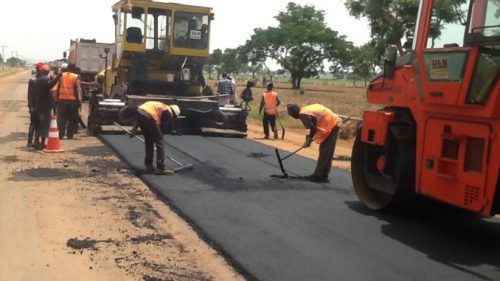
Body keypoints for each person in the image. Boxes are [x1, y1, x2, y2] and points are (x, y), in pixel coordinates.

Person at [119, 101, 181, 175]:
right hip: (149, 116)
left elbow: (140, 116)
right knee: (160, 141)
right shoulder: (169, 112)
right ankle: (160, 167)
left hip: (140, 113)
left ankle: (149, 165)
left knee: (149, 141)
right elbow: (162, 129)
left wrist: (134, 130)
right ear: (175, 114)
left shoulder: (161, 106)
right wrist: (158, 138)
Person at [286, 103, 342, 183]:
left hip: (330, 124)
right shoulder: (304, 110)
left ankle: (318, 175)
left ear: (294, 114)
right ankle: (324, 175)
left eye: (291, 115)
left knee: (324, 151)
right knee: (328, 152)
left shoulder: (303, 115)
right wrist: (309, 139)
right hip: (334, 122)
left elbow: (312, 128)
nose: (292, 117)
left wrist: (308, 140)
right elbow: (314, 124)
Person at [33, 63, 59, 149]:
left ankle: (36, 142)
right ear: (46, 71)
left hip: (38, 106)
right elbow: (51, 85)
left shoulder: (36, 81)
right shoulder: (45, 80)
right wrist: (58, 78)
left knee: (39, 125)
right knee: (45, 125)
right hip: (45, 107)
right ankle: (42, 144)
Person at [53, 63, 82, 139]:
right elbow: (76, 90)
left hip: (62, 100)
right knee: (72, 119)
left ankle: (61, 134)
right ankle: (70, 135)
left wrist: (56, 99)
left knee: (61, 118)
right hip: (72, 101)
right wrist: (78, 101)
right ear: (74, 69)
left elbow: (57, 88)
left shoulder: (61, 75)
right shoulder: (76, 77)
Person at [27, 63, 43, 148]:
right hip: (35, 106)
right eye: (42, 70)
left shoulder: (33, 80)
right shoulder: (34, 80)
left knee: (36, 124)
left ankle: (34, 142)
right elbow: (29, 95)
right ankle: (32, 142)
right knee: (34, 123)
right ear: (38, 70)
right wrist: (30, 106)